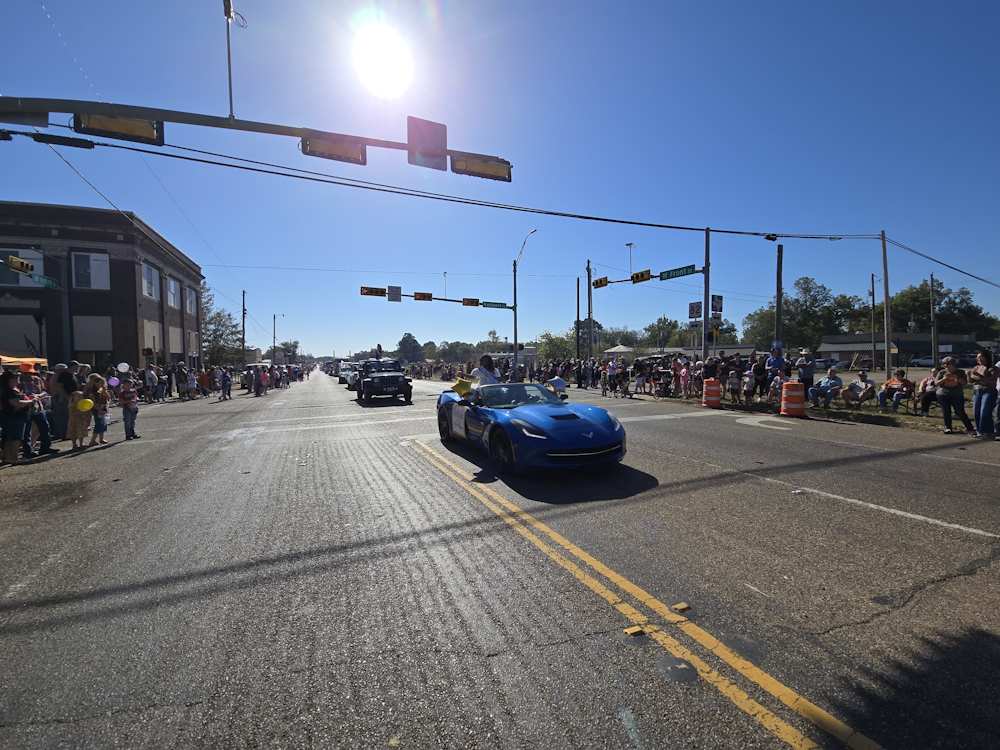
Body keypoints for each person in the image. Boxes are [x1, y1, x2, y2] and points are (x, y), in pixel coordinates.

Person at [934, 357, 974, 435]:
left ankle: (970, 428)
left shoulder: (960, 372)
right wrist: (944, 379)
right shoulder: (942, 372)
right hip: (943, 394)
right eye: (944, 364)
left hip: (957, 394)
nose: (946, 366)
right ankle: (948, 427)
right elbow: (936, 383)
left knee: (960, 411)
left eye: (948, 364)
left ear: (953, 364)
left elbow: (965, 383)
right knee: (946, 411)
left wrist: (957, 379)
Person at [1, 370, 34, 464]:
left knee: (9, 438)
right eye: (16, 377)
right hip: (14, 416)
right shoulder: (9, 391)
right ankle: (14, 458)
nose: (18, 379)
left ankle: (7, 457)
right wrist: (30, 401)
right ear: (10, 380)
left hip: (11, 416)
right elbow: (16, 403)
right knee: (16, 438)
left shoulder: (9, 390)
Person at [969, 350, 998, 439]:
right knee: (976, 412)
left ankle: (988, 432)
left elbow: (989, 381)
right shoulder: (976, 367)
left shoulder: (993, 368)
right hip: (977, 391)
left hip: (989, 391)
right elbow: (970, 379)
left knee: (984, 412)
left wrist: (977, 376)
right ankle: (979, 432)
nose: (979, 359)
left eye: (981, 357)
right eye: (977, 358)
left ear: (986, 358)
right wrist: (974, 376)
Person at [85, 373, 110, 447]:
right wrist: (98, 409)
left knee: (103, 424)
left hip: (103, 407)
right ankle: (92, 440)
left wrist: (105, 391)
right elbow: (93, 401)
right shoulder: (92, 391)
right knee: (99, 424)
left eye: (101, 382)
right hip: (97, 409)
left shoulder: (101, 389)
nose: (100, 384)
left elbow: (107, 397)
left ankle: (101, 439)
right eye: (97, 382)